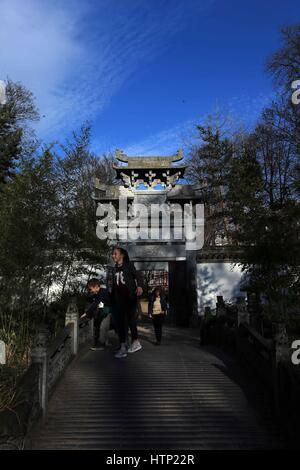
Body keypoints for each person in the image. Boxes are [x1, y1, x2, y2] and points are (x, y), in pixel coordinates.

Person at [111, 246, 143, 358]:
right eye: (113, 254)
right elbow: (114, 286)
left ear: (122, 255)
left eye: (115, 253)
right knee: (120, 323)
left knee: (130, 319)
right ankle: (123, 346)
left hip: (129, 298)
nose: (113, 255)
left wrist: (139, 286)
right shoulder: (114, 268)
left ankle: (135, 341)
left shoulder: (129, 265)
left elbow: (138, 276)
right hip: (118, 300)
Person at [80, 278, 112, 351]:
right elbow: (94, 301)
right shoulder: (99, 293)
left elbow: (96, 304)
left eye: (91, 289)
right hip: (105, 311)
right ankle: (105, 342)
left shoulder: (102, 292)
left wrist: (86, 313)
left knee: (103, 327)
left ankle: (101, 345)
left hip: (108, 311)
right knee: (104, 327)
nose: (90, 291)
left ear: (96, 286)